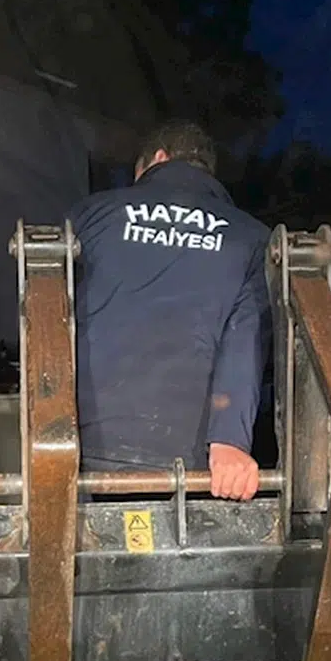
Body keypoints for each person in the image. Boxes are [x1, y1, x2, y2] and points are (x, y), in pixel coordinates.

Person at [70, 121, 270, 500]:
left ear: (158, 159)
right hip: (191, 457)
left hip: (85, 443)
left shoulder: (92, 214)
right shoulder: (251, 237)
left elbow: (50, 314)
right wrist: (230, 440)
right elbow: (246, 340)